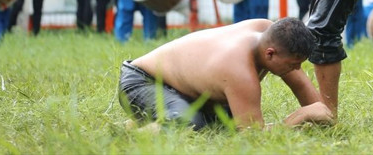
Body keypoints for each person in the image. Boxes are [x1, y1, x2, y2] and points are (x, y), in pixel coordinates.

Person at [118, 18, 331, 130]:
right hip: (142, 81)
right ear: (270, 54)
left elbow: (302, 86)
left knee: (225, 120)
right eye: (294, 65)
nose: (296, 70)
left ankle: (149, 119)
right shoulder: (240, 72)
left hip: (186, 91)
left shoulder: (270, 32)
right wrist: (301, 116)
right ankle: (129, 132)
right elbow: (252, 135)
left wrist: (322, 114)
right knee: (189, 123)